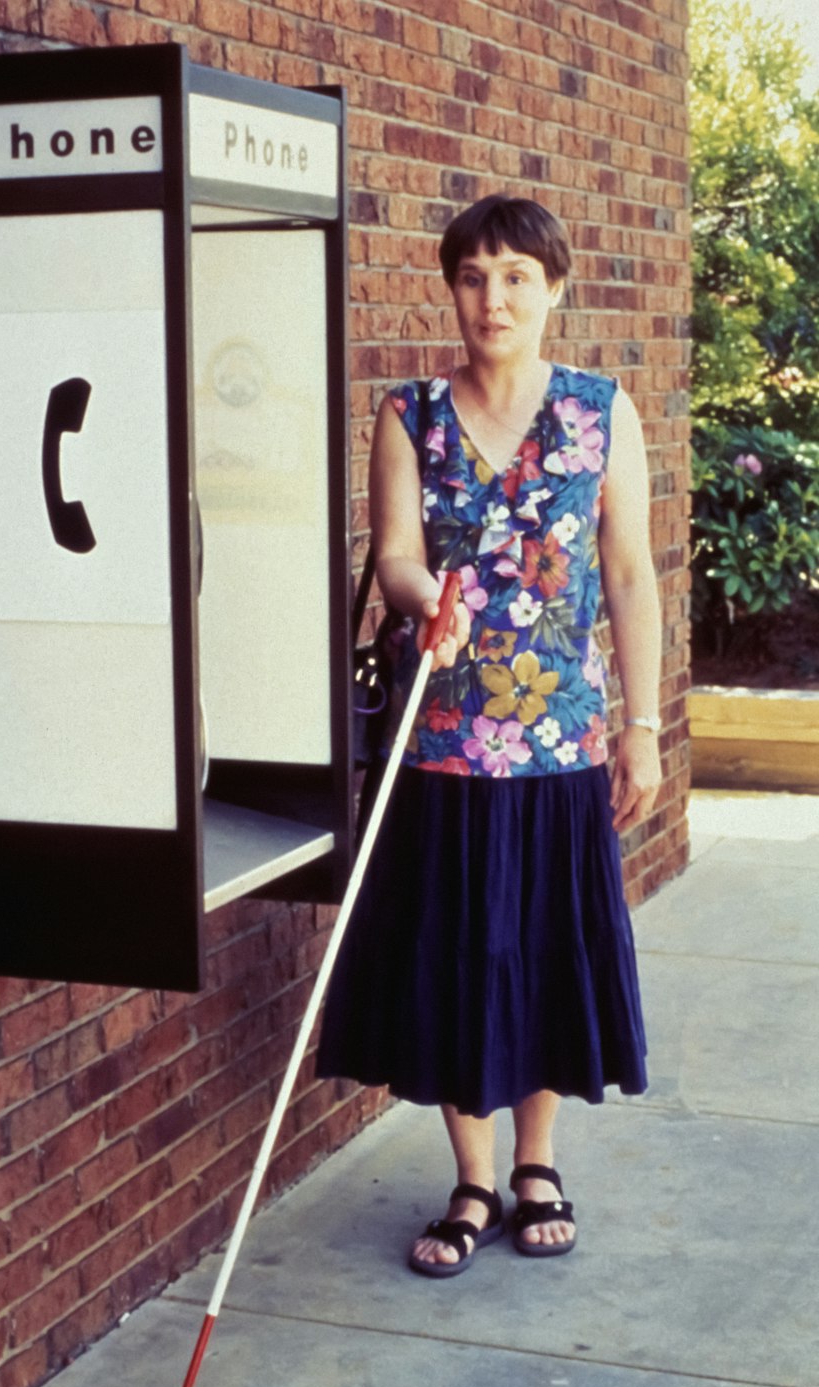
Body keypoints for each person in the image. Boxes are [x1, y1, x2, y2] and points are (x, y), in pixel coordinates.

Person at [316, 194, 662, 1274]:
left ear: (553, 288)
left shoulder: (602, 413)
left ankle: (536, 1163)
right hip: (444, 745)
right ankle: (470, 1177)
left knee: (546, 951)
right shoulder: (409, 414)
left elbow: (627, 574)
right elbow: (397, 554)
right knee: (459, 955)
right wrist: (428, 599)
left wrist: (642, 728)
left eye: (515, 275)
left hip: (559, 745)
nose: (492, 297)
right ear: (451, 289)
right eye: (472, 275)